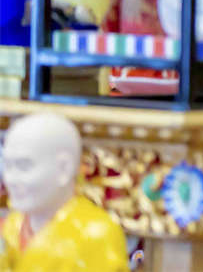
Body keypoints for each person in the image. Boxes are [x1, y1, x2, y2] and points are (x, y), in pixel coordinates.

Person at [0, 112, 128, 272]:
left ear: (64, 168)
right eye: (8, 166)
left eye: (24, 166)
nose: (11, 179)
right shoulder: (13, 225)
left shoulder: (94, 233)